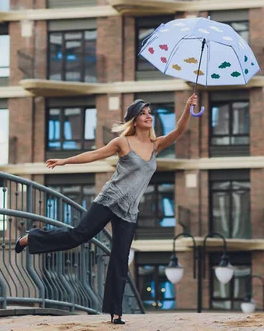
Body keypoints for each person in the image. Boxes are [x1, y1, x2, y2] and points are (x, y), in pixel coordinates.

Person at [15, 93, 198, 324]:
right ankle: (31, 238)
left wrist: (187, 107)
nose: (148, 116)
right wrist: (65, 161)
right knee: (78, 236)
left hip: (129, 211)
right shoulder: (122, 142)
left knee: (120, 259)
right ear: (134, 119)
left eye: (149, 113)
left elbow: (178, 132)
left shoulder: (155, 145)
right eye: (143, 113)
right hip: (109, 200)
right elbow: (94, 154)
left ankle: (115, 312)